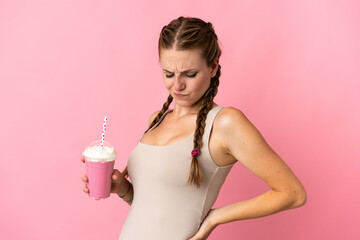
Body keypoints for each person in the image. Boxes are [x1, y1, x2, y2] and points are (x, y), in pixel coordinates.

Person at [81, 16, 307, 240]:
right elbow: (158, 211)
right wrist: (123, 190)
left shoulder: (225, 123)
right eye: (168, 74)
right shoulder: (156, 120)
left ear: (213, 67)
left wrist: (214, 218)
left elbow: (293, 193)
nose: (177, 85)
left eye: (190, 74)